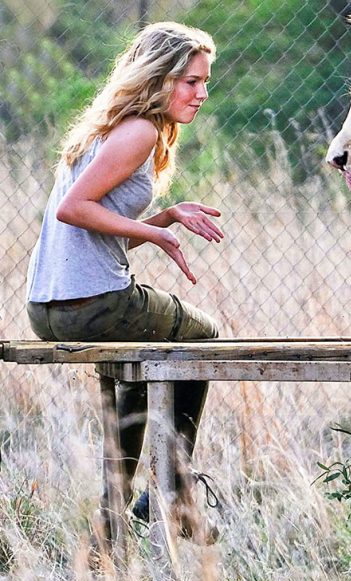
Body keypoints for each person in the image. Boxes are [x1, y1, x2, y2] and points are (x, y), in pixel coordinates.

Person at [24, 22, 223, 547]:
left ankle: (111, 528)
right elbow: (74, 211)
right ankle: (176, 494)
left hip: (53, 307)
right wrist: (156, 237)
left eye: (205, 83)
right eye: (191, 82)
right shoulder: (139, 132)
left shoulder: (107, 129)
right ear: (159, 77)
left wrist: (167, 219)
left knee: (133, 375)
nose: (201, 94)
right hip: (92, 302)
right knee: (204, 335)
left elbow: (98, 235)